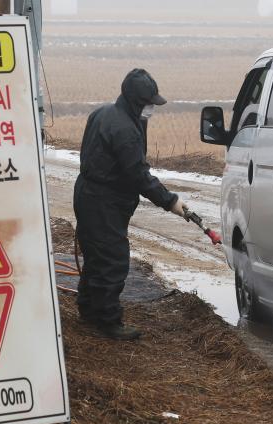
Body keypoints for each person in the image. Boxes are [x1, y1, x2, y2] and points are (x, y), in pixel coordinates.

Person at [73, 69, 188, 340]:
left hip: (88, 193)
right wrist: (170, 201)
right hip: (104, 201)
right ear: (137, 102)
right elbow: (139, 176)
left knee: (96, 256)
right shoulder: (125, 130)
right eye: (149, 104)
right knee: (112, 260)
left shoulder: (104, 113)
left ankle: (89, 309)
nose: (151, 109)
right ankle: (108, 321)